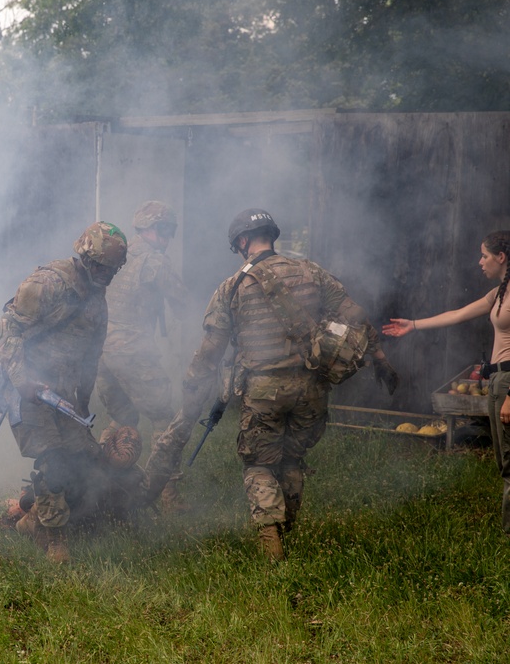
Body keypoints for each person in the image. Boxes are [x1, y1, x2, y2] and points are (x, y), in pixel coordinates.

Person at [146, 208, 398, 561]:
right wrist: (382, 359)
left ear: (243, 242)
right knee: (292, 458)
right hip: (311, 389)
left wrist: (192, 387)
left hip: (263, 391)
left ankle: (270, 538)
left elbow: (210, 351)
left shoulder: (232, 286)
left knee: (260, 464)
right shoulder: (311, 272)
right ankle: (288, 528)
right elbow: (354, 316)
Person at [0, 221, 129, 562]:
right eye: (100, 266)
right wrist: (23, 380)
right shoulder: (47, 283)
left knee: (85, 465)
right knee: (54, 462)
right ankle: (54, 538)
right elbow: (7, 329)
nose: (106, 274)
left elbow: (91, 358)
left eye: (112, 269)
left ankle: (27, 514)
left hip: (63, 397)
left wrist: (81, 407)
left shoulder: (98, 304)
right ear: (84, 256)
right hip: (28, 389)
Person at [383, 230, 510, 535]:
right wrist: (414, 325)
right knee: (505, 461)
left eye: (484, 255)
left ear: (501, 257)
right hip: (497, 381)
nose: (480, 262)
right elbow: (458, 314)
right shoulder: (499, 293)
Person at [96, 201, 187, 510]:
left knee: (121, 418)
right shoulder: (154, 262)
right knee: (164, 418)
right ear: (149, 229)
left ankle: (91, 478)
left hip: (102, 351)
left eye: (171, 231)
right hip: (132, 351)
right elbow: (182, 302)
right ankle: (166, 495)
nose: (168, 237)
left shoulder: (115, 257)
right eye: (165, 230)